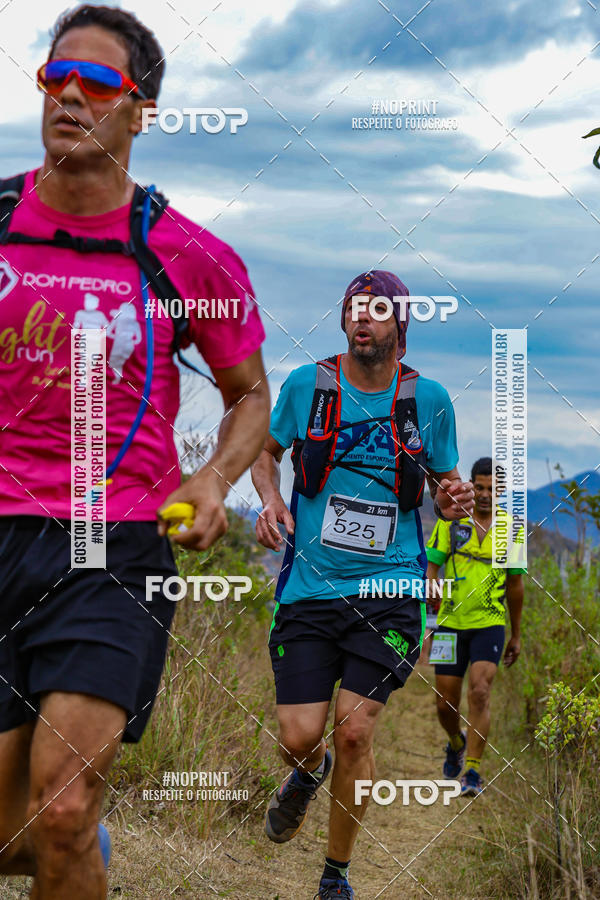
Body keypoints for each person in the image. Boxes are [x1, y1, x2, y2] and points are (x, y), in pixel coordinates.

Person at [0, 5, 269, 898]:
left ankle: (76, 842)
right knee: (13, 836)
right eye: (55, 77)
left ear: (141, 108)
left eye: (99, 82)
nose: (70, 94)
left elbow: (250, 395)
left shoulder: (188, 256)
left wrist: (217, 474)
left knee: (64, 809)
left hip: (113, 549)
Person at [251, 270, 474, 900]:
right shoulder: (309, 386)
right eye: (353, 309)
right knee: (300, 737)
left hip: (392, 590)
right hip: (309, 590)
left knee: (354, 729)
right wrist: (271, 503)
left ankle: (335, 874)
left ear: (400, 328)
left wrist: (452, 497)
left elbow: (443, 484)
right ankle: (308, 771)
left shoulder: (427, 401)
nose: (362, 320)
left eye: (376, 311)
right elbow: (264, 452)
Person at [425, 457, 525, 796]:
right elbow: (432, 570)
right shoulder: (451, 522)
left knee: (480, 693)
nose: (484, 495)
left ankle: (472, 772)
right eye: (479, 487)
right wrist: (431, 600)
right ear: (470, 485)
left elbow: (515, 586)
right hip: (450, 624)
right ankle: (456, 742)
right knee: (444, 703)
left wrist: (517, 634)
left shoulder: (513, 530)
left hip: (490, 623)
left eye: (493, 490)